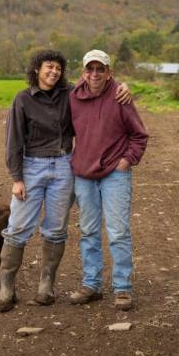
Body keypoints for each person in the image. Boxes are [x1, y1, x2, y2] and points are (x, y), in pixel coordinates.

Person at [0, 49, 131, 312]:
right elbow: (13, 141)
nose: (53, 72)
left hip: (64, 166)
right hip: (32, 166)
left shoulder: (71, 93)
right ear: (37, 69)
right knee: (18, 226)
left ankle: (47, 285)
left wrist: (124, 86)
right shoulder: (22, 99)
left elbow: (98, 83)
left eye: (58, 68)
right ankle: (6, 287)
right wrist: (16, 178)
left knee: (56, 229)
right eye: (48, 67)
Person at [68, 49, 148, 311]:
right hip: (83, 175)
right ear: (83, 72)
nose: (94, 74)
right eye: (90, 69)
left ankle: (122, 288)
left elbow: (139, 136)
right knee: (88, 231)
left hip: (115, 173)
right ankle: (92, 284)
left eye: (100, 69)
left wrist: (126, 162)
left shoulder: (120, 97)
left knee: (118, 232)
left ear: (109, 72)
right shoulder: (73, 97)